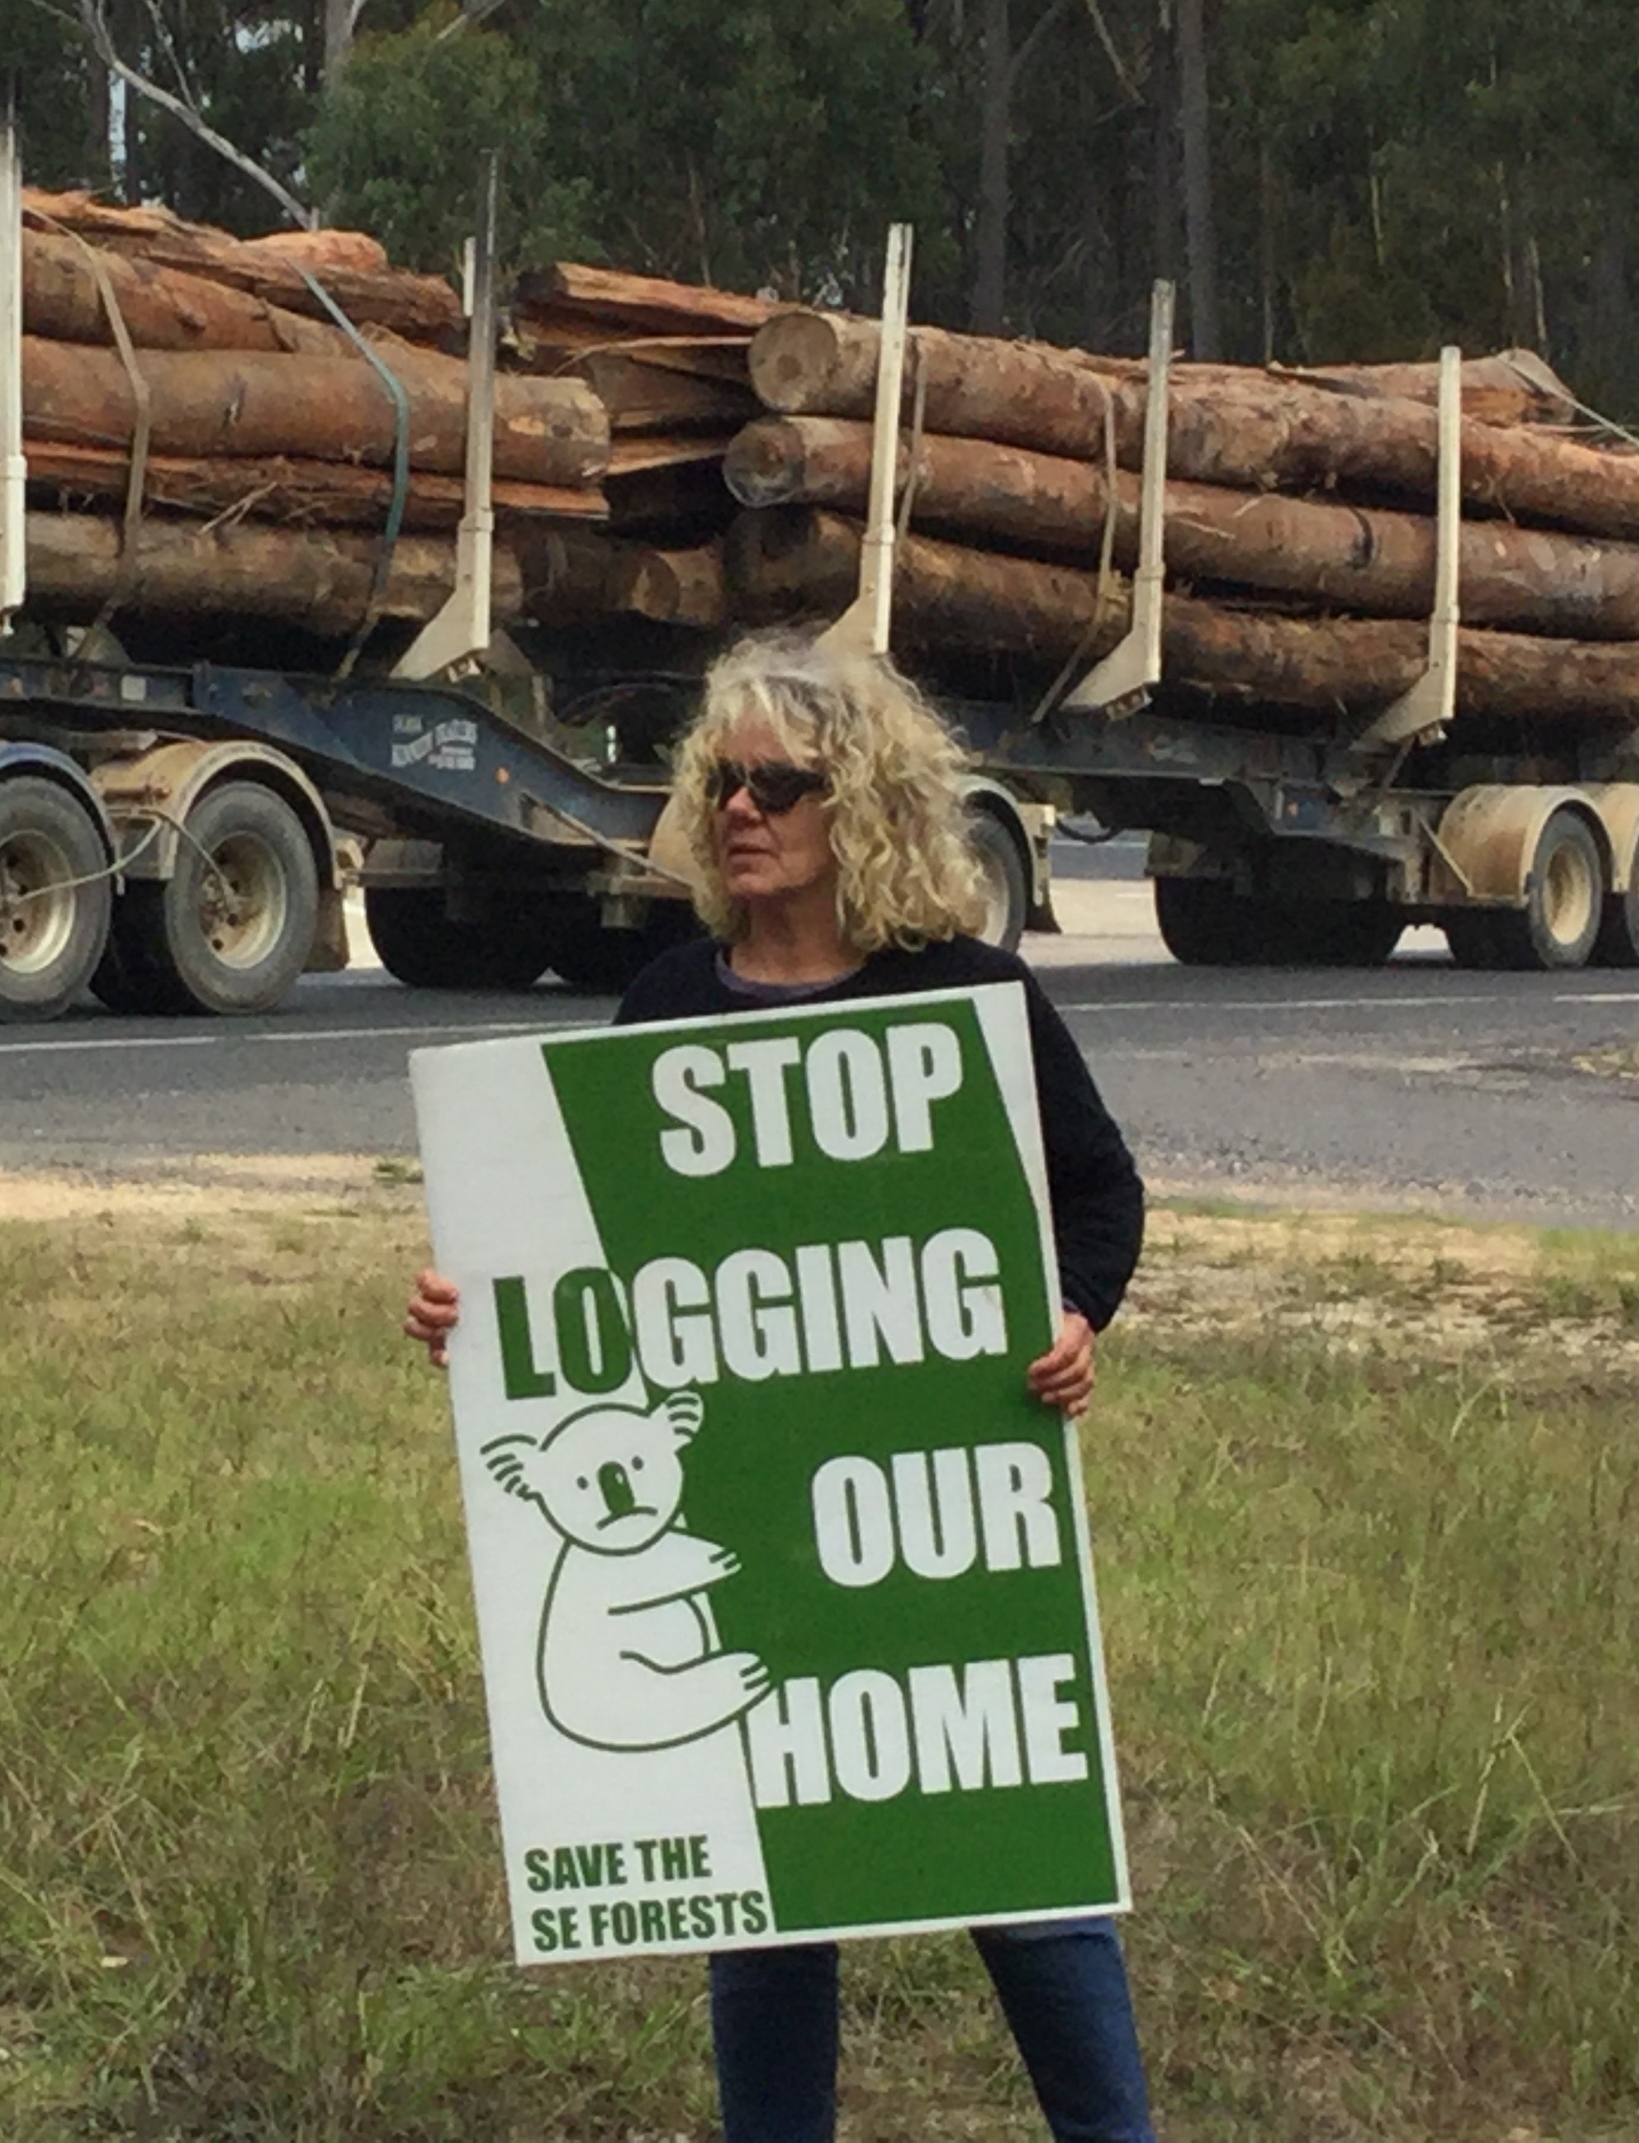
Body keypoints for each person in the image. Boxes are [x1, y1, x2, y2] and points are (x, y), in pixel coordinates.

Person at [401, 630, 1156, 2143]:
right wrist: (470, 1312)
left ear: (858, 804)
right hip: (737, 1517)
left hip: (935, 1519)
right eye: (722, 782)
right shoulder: (671, 1000)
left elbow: (1099, 1190)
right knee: (766, 1894)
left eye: (780, 786)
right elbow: (592, 1257)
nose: (740, 810)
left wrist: (1074, 1317)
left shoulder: (967, 996)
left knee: (1018, 1864)